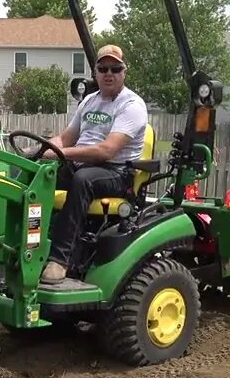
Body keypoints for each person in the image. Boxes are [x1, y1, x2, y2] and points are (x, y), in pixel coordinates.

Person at [37, 44, 149, 283]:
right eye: (103, 68)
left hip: (116, 172)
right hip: (82, 164)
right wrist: (38, 150)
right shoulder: (89, 101)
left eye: (115, 68)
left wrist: (61, 153)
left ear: (124, 72)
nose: (109, 73)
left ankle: (59, 260)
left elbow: (106, 151)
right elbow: (65, 138)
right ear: (95, 72)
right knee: (34, 174)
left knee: (82, 180)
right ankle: (22, 246)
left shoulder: (132, 105)